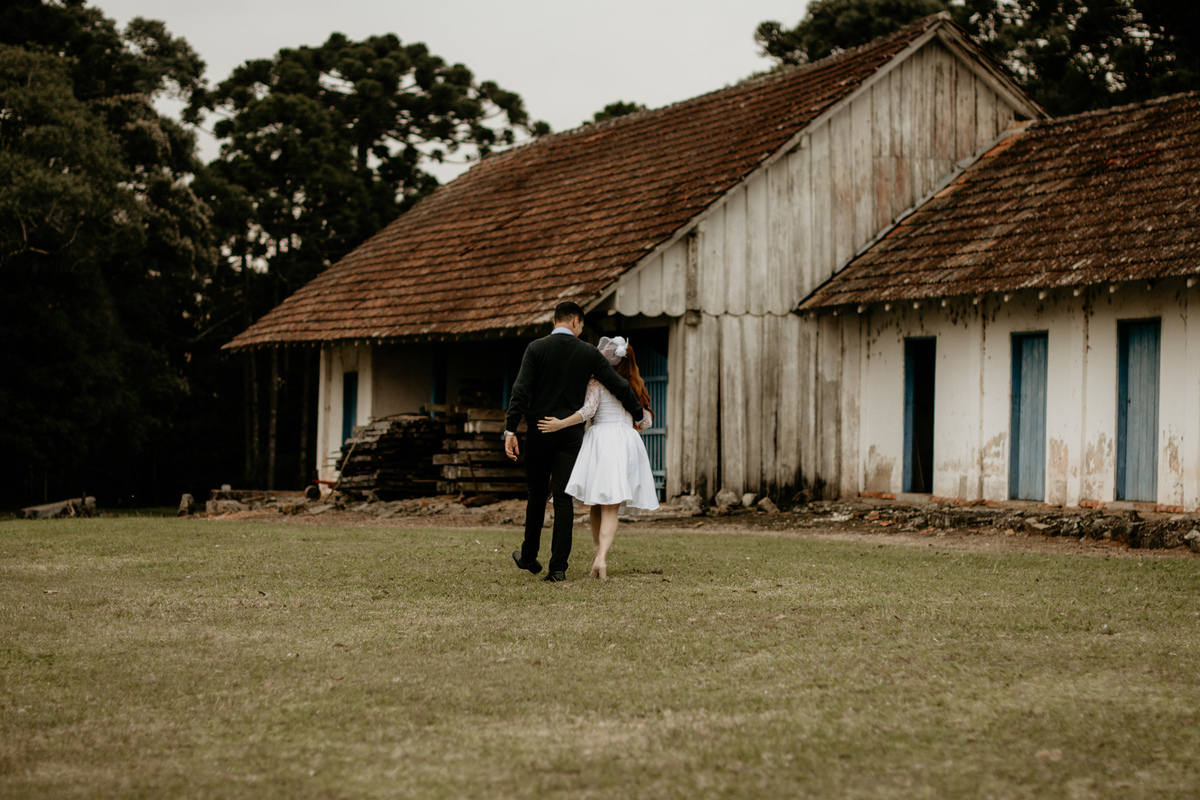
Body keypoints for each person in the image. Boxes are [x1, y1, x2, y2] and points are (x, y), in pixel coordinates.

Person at [504, 303, 643, 582]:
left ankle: (529, 555)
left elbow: (521, 389)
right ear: (577, 321)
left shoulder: (536, 348)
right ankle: (558, 568)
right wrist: (637, 413)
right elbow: (618, 385)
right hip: (570, 436)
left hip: (539, 430)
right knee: (563, 498)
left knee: (536, 494)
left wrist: (510, 430)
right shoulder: (588, 352)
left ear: (554, 321)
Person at [537, 336, 659, 580]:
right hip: (624, 442)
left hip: (601, 440)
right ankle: (599, 557)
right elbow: (645, 421)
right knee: (609, 505)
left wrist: (562, 423)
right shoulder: (634, 384)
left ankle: (599, 556)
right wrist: (628, 421)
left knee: (597, 502)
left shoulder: (597, 382)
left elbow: (588, 411)